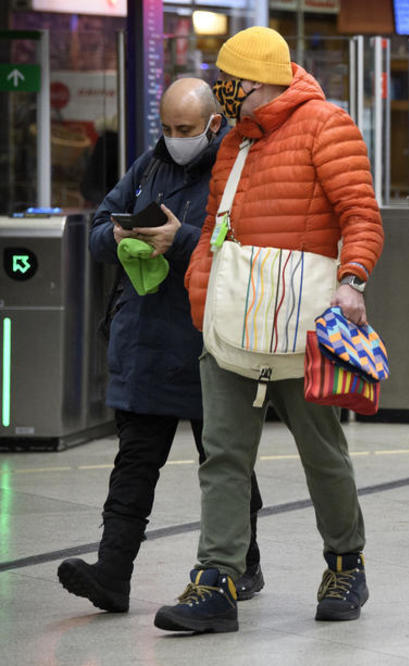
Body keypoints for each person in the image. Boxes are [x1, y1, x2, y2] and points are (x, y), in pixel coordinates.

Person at [154, 26, 384, 633]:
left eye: (228, 83)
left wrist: (353, 279)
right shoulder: (235, 143)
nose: (221, 93)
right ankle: (217, 580)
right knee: (223, 456)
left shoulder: (326, 125)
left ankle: (345, 563)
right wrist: (202, 295)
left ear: (256, 82)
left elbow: (360, 213)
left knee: (322, 453)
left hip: (304, 326)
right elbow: (213, 228)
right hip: (233, 323)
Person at [57, 78, 266, 614]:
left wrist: (183, 241)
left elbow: (252, 248)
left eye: (186, 130)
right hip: (146, 343)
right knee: (133, 464)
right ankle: (112, 573)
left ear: (213, 124)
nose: (175, 139)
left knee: (222, 462)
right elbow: (99, 228)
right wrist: (123, 234)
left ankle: (244, 564)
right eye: (168, 128)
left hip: (208, 342)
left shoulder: (239, 169)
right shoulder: (148, 166)